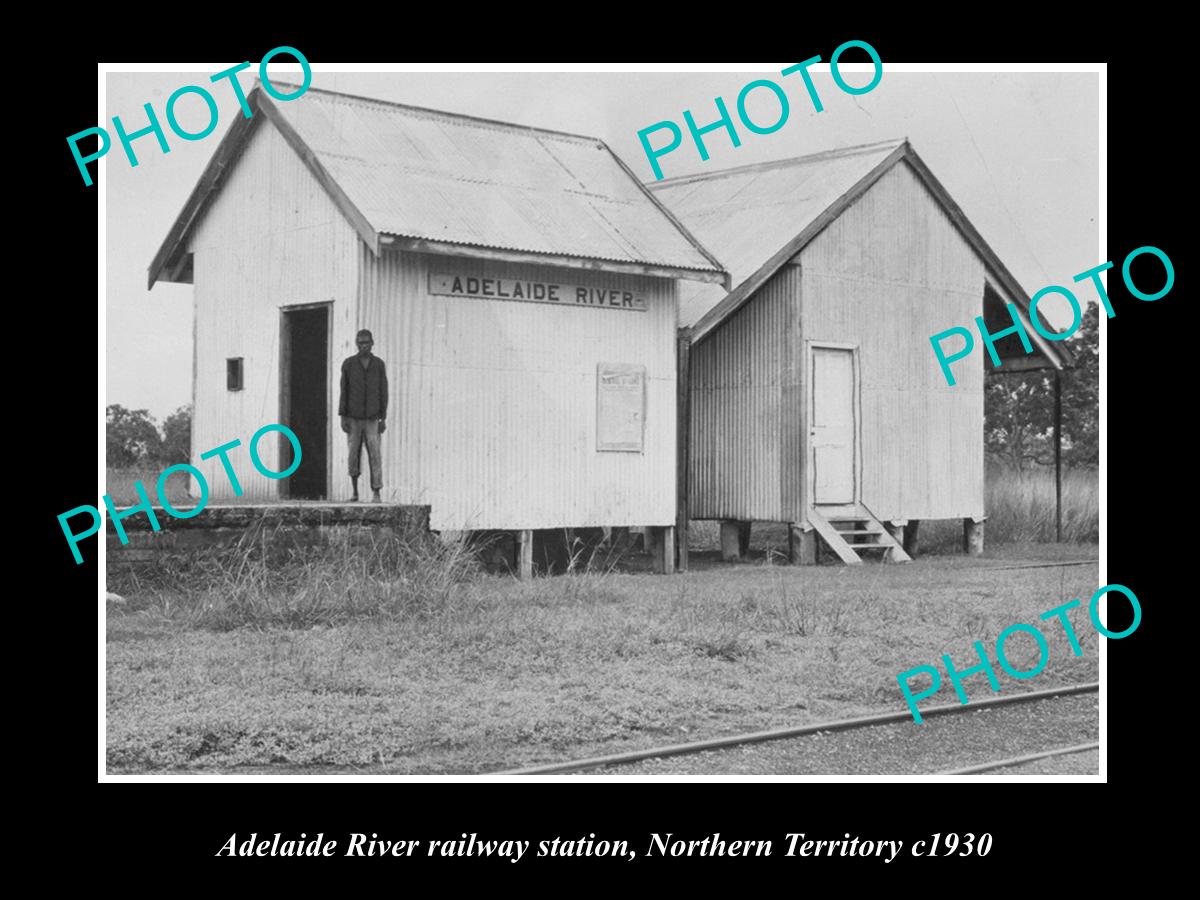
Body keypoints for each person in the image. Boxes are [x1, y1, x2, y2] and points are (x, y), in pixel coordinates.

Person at [338, 329, 388, 502]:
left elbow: (384, 392)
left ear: (372, 343)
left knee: (375, 454)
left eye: (366, 342)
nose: (363, 346)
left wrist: (383, 417)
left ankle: (376, 492)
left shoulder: (379, 364)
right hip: (353, 418)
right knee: (353, 454)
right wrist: (342, 417)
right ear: (356, 344)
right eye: (360, 343)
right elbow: (344, 391)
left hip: (373, 418)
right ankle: (355, 492)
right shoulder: (348, 364)